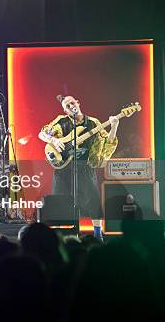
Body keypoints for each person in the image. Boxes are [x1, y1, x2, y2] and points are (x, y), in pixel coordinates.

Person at [38, 95, 119, 239]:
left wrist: (114, 126)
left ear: (78, 102)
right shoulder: (60, 121)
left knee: (93, 200)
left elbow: (108, 144)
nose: (70, 106)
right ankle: (62, 236)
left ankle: (97, 233)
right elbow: (42, 133)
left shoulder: (93, 123)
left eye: (72, 103)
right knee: (61, 201)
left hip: (85, 167)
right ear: (64, 110)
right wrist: (54, 141)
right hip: (63, 168)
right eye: (67, 106)